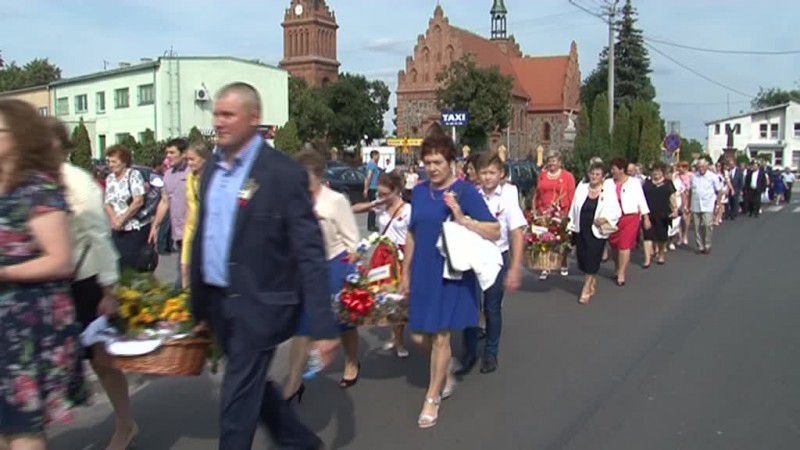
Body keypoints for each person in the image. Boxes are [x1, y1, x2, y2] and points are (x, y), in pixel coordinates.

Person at [189, 83, 339, 449]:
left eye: (228, 115)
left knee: (236, 401)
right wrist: (198, 304)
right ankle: (300, 442)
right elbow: (203, 236)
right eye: (217, 115)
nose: (218, 123)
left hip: (260, 305)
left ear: (254, 119)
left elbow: (309, 251)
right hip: (219, 302)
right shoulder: (211, 170)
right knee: (251, 384)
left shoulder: (282, 173)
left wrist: (324, 325)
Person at [46, 118, 138, 450]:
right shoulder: (32, 181)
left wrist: (109, 290)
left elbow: (100, 237)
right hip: (50, 289)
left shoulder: (77, 182)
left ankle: (126, 424)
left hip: (86, 283)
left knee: (103, 362)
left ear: (60, 145)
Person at [399, 128, 499, 429]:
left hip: (450, 272)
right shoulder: (419, 191)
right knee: (419, 335)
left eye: (437, 162)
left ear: (450, 162)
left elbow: (494, 230)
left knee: (441, 335)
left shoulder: (465, 192)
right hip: (423, 271)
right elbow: (413, 233)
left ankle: (433, 396)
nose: (432, 168)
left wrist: (462, 217)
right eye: (427, 162)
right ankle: (446, 370)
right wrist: (405, 271)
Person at [0, 100, 79, 450]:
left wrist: (3, 272)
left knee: (22, 427)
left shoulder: (38, 189)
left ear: (19, 137)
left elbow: (61, 260)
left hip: (27, 324)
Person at [283, 149, 361, 403]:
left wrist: (353, 260)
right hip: (304, 267)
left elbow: (352, 240)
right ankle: (294, 381)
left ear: (318, 176)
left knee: (343, 322)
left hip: (335, 264)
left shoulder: (335, 200)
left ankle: (351, 361)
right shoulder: (293, 200)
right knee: (302, 324)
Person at [457, 151, 526, 374]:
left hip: (497, 257)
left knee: (492, 307)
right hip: (472, 257)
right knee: (469, 306)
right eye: (483, 173)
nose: (487, 177)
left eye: (492, 173)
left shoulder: (507, 198)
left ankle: (490, 353)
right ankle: (469, 352)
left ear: (501, 174)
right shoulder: (471, 195)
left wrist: (515, 267)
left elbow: (516, 233)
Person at [352, 172, 411, 358]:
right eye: (380, 193)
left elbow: (412, 238)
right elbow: (354, 209)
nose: (382, 197)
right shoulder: (381, 207)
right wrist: (374, 203)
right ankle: (395, 336)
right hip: (382, 256)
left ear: (397, 191)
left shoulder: (408, 210)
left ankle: (400, 339)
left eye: (386, 194)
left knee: (399, 299)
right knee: (382, 296)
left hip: (400, 257)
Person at [567, 162, 621, 304]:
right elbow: (574, 206)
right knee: (582, 258)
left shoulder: (607, 191)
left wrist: (605, 219)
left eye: (598, 174)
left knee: (592, 257)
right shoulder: (582, 188)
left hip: (597, 230)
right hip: (581, 228)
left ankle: (586, 287)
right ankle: (591, 279)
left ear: (603, 177)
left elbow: (616, 211)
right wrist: (570, 225)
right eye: (592, 174)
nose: (594, 177)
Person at [148, 138, 190, 287]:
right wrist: (155, 226)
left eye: (172, 152)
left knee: (184, 277)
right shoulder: (168, 175)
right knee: (184, 276)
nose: (168, 156)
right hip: (177, 234)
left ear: (184, 153)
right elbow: (164, 202)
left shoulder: (193, 172)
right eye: (167, 153)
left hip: (193, 232)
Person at [103, 145, 150, 272]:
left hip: (133, 228)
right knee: (117, 264)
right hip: (117, 228)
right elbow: (107, 202)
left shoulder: (133, 175)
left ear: (124, 162)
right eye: (109, 161)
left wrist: (122, 219)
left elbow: (138, 201)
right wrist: (114, 219)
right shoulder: (110, 178)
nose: (111, 165)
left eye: (114, 161)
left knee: (132, 266)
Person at [532, 151, 576, 279]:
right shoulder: (543, 175)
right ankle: (546, 265)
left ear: (560, 162)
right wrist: (536, 209)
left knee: (561, 238)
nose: (552, 163)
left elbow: (572, 195)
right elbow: (538, 192)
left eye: (554, 160)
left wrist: (570, 214)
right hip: (544, 211)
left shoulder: (568, 176)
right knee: (544, 237)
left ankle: (563, 263)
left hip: (561, 211)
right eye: (550, 160)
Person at [608, 157, 651, 286]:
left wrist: (646, 217)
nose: (612, 171)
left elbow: (641, 200)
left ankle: (622, 273)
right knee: (614, 245)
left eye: (614, 169)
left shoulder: (634, 183)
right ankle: (617, 267)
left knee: (624, 245)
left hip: (630, 217)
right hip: (613, 218)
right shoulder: (608, 183)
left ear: (621, 169)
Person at [180, 141, 212, 288]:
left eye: (192, 159)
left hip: (210, 231)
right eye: (187, 159)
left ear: (204, 158)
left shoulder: (214, 177)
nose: (189, 163)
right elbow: (190, 205)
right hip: (192, 227)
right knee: (185, 268)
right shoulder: (190, 178)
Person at [642, 163, 677, 266]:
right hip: (648, 213)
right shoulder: (647, 184)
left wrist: (674, 209)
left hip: (663, 214)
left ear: (663, 173)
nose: (656, 173)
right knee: (647, 236)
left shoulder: (668, 183)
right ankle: (647, 259)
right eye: (654, 171)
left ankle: (661, 253)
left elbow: (672, 197)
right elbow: (641, 198)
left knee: (662, 237)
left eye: (658, 171)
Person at [688, 159, 722, 254]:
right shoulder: (694, 177)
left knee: (707, 225)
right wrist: (688, 205)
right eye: (699, 167)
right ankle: (700, 246)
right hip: (696, 204)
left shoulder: (713, 177)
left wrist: (718, 204)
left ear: (706, 167)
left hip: (708, 204)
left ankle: (707, 244)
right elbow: (690, 191)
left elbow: (719, 191)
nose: (701, 169)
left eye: (703, 167)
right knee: (696, 226)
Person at [363, 150, 382, 231]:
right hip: (372, 188)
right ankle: (371, 226)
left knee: (373, 206)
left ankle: (371, 224)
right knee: (373, 207)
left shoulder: (373, 165)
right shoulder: (372, 165)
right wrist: (366, 189)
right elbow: (369, 177)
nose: (379, 157)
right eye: (378, 155)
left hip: (374, 188)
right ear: (374, 156)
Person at [676, 161, 693, 245]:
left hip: (687, 198)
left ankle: (685, 235)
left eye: (683, 167)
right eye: (679, 167)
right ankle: (679, 237)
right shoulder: (676, 176)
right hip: (678, 198)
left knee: (686, 219)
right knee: (678, 219)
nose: (680, 168)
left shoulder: (690, 175)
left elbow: (692, 187)